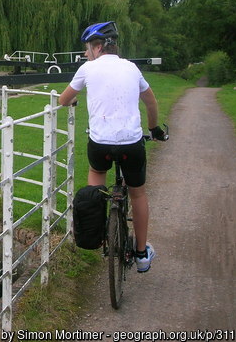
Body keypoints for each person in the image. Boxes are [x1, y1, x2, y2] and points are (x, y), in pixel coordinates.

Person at [59, 21, 167, 272]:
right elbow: (150, 102)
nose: (86, 53)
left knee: (96, 180)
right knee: (138, 193)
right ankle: (141, 255)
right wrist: (154, 129)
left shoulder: (88, 69)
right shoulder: (131, 68)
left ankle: (95, 233)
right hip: (131, 143)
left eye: (87, 48)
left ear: (97, 47)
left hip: (100, 144)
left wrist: (74, 99)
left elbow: (64, 100)